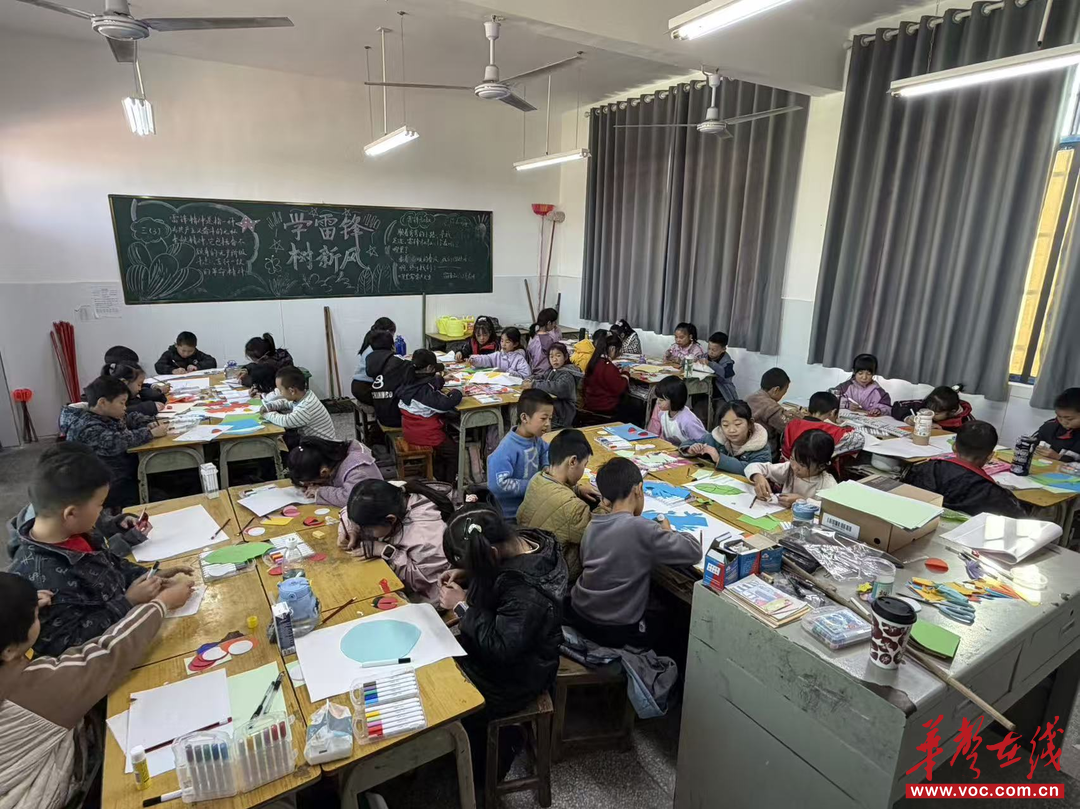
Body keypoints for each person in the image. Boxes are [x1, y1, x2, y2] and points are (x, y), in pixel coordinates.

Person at [0, 571, 194, 809]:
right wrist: (161, 603)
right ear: (9, 651)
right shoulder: (29, 690)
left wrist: (23, 606)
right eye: (34, 617)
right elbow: (106, 655)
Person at [7, 443, 192, 656]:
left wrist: (151, 575)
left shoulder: (79, 532)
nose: (102, 510)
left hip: (131, 628)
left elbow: (111, 563)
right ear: (71, 513)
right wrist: (129, 602)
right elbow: (67, 647)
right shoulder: (38, 578)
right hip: (112, 657)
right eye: (99, 504)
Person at [438, 505, 567, 788]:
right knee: (439, 665)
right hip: (516, 647)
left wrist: (462, 607)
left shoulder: (525, 591)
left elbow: (502, 647)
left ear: (492, 555)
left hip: (519, 673)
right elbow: (501, 578)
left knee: (453, 695)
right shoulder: (525, 539)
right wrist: (467, 573)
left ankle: (497, 755)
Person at [568, 457, 701, 649]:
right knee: (672, 619)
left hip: (580, 612)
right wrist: (668, 532)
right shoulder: (642, 528)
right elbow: (693, 551)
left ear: (605, 499)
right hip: (615, 628)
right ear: (638, 490)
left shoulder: (593, 525)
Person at [338, 479, 453, 604]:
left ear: (391, 520)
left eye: (368, 530)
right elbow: (356, 508)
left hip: (428, 599)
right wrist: (350, 527)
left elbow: (426, 581)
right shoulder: (391, 494)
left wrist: (387, 551)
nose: (365, 533)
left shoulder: (425, 537)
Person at [58, 376, 166, 508]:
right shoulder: (85, 426)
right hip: (105, 487)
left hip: (124, 474)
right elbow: (115, 441)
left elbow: (129, 417)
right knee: (163, 496)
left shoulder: (103, 413)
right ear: (103, 402)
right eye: (122, 403)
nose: (125, 407)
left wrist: (148, 423)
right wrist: (150, 433)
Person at [517, 429, 602, 582]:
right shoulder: (574, 508)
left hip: (532, 556)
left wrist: (577, 489)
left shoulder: (537, 478)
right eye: (584, 465)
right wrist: (607, 503)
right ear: (573, 461)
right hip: (557, 572)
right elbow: (601, 534)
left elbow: (555, 494)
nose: (583, 470)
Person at [903, 422, 1027, 518]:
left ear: (954, 447)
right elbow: (1018, 520)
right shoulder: (996, 494)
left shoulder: (924, 469)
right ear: (990, 456)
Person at [397, 349, 464, 482]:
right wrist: (457, 392)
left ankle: (439, 474)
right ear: (429, 368)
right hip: (425, 435)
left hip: (410, 430)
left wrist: (442, 379)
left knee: (446, 441)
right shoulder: (425, 392)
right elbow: (445, 404)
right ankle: (448, 483)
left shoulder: (408, 381)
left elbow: (429, 384)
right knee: (454, 451)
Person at [487, 389, 554, 519]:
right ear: (524, 418)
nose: (548, 424)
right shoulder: (507, 449)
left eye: (550, 418)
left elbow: (546, 451)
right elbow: (497, 485)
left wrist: (546, 466)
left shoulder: (536, 439)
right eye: (543, 418)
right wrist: (534, 484)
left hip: (532, 507)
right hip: (511, 517)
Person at [746, 430, 838, 507]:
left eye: (802, 465)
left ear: (821, 466)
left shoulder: (828, 484)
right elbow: (752, 466)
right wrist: (758, 477)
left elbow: (833, 510)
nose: (794, 467)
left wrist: (802, 501)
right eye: (792, 459)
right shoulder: (789, 469)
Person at [287, 436, 382, 508]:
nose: (312, 485)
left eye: (313, 482)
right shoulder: (331, 458)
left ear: (324, 472)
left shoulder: (358, 470)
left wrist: (319, 491)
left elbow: (350, 499)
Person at [681, 399, 772, 475]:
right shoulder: (716, 437)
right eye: (725, 425)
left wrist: (718, 458)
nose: (731, 430)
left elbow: (756, 471)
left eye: (737, 424)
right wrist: (691, 449)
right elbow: (687, 444)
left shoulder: (760, 446)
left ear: (750, 424)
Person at [261, 365, 337, 446]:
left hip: (323, 447)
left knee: (283, 445)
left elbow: (286, 421)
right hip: (313, 440)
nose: (280, 393)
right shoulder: (305, 396)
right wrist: (269, 406)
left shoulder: (306, 407)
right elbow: (285, 403)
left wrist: (266, 414)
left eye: (280, 390)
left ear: (292, 391)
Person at [782, 391, 865, 460]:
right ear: (833, 412)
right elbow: (859, 440)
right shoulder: (831, 430)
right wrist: (837, 426)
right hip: (813, 471)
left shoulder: (792, 423)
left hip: (786, 467)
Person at [583, 334, 643, 425]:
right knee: (637, 406)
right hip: (605, 407)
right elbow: (620, 388)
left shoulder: (595, 362)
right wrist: (625, 372)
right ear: (612, 349)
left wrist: (615, 371)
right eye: (619, 351)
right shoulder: (607, 367)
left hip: (590, 403)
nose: (619, 354)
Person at [522, 343, 577, 428]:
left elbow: (559, 387)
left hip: (562, 413)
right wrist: (529, 379)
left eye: (558, 356)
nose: (554, 359)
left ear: (566, 357)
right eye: (551, 357)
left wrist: (534, 384)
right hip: (553, 411)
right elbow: (541, 376)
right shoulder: (552, 371)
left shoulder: (567, 374)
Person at [366, 330, 412, 428]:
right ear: (393, 346)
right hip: (398, 415)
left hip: (380, 412)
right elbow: (415, 372)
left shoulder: (369, 359)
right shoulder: (398, 361)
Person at [647, 376, 708, 444]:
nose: (657, 402)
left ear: (674, 400)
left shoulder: (688, 421)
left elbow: (704, 442)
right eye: (657, 398)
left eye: (661, 400)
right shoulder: (662, 414)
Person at [746, 367, 795, 447]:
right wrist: (797, 415)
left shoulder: (750, 397)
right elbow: (787, 426)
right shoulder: (770, 406)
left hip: (747, 440)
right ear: (776, 390)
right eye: (784, 392)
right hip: (762, 445)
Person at [352, 317, 396, 405]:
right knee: (395, 399)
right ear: (387, 332)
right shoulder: (375, 351)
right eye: (392, 334)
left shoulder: (371, 344)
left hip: (359, 385)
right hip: (366, 388)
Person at [891, 386, 973, 433]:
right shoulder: (931, 404)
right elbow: (898, 405)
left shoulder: (965, 422)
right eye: (928, 409)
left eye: (936, 413)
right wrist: (907, 418)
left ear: (952, 412)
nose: (930, 414)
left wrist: (943, 432)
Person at [1035, 388, 1080, 461]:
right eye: (1059, 416)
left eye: (1069, 419)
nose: (1063, 422)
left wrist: (1059, 457)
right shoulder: (1049, 427)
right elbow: (1032, 442)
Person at [525, 307, 561, 377]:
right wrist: (557, 332)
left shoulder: (534, 336)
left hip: (534, 371)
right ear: (549, 323)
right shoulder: (548, 339)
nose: (555, 325)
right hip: (545, 373)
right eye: (554, 322)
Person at [706, 332, 738, 403]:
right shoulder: (706, 356)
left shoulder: (728, 362)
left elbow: (725, 378)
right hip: (706, 391)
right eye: (709, 348)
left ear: (723, 349)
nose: (710, 352)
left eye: (714, 350)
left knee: (722, 407)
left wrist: (710, 364)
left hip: (722, 393)